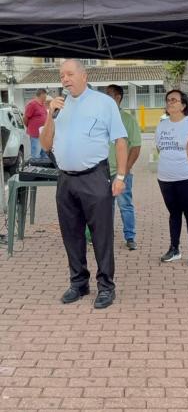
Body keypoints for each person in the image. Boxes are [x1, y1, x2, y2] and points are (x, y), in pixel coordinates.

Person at [40, 59, 127, 309]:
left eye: (69, 74)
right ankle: (78, 283)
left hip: (95, 177)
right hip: (65, 179)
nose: (65, 79)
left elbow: (120, 140)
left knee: (101, 234)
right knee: (71, 234)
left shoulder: (104, 103)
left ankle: (106, 287)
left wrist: (120, 177)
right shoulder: (59, 106)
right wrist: (50, 116)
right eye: (61, 76)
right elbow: (46, 145)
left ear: (84, 75)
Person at [155, 89, 188, 266]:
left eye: (174, 100)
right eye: (168, 100)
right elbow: (159, 148)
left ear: (183, 105)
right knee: (174, 213)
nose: (170, 102)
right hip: (165, 177)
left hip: (187, 176)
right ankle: (174, 248)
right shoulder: (162, 125)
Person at [106, 84, 141, 250]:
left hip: (120, 173)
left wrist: (124, 170)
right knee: (105, 207)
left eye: (109, 94)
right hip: (100, 173)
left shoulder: (128, 120)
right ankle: (106, 236)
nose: (106, 97)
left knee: (125, 205)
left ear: (118, 97)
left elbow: (136, 147)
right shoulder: (101, 118)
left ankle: (130, 236)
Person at [23, 88, 48, 158]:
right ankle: (35, 168)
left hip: (43, 135)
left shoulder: (43, 105)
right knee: (36, 155)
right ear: (42, 95)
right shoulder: (32, 104)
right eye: (45, 95)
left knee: (45, 155)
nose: (46, 97)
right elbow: (25, 118)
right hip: (35, 135)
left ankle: (44, 168)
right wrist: (30, 127)